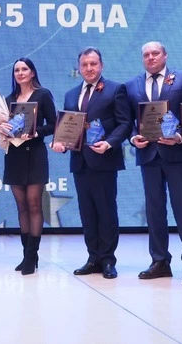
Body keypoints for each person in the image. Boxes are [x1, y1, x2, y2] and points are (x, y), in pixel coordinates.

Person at [125, 41, 182, 284]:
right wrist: (133, 138)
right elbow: (128, 121)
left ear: (165, 55)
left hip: (178, 155)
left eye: (155, 53)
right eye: (146, 54)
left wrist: (180, 137)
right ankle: (159, 261)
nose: (150, 57)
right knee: (154, 210)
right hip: (148, 155)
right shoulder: (132, 85)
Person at [53, 47, 131, 279]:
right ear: (79, 68)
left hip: (104, 160)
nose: (89, 68)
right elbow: (68, 127)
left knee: (106, 211)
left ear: (101, 65)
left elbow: (125, 123)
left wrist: (109, 143)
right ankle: (93, 257)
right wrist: (60, 142)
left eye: (93, 64)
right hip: (80, 162)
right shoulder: (71, 94)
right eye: (85, 64)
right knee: (87, 212)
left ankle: (107, 259)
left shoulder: (115, 89)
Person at [0, 57, 57, 275]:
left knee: (34, 205)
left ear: (32, 72)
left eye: (24, 69)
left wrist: (36, 132)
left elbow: (54, 124)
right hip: (14, 156)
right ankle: (26, 255)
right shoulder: (8, 100)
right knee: (21, 206)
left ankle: (32, 256)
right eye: (17, 70)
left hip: (35, 155)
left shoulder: (43, 94)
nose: (20, 73)